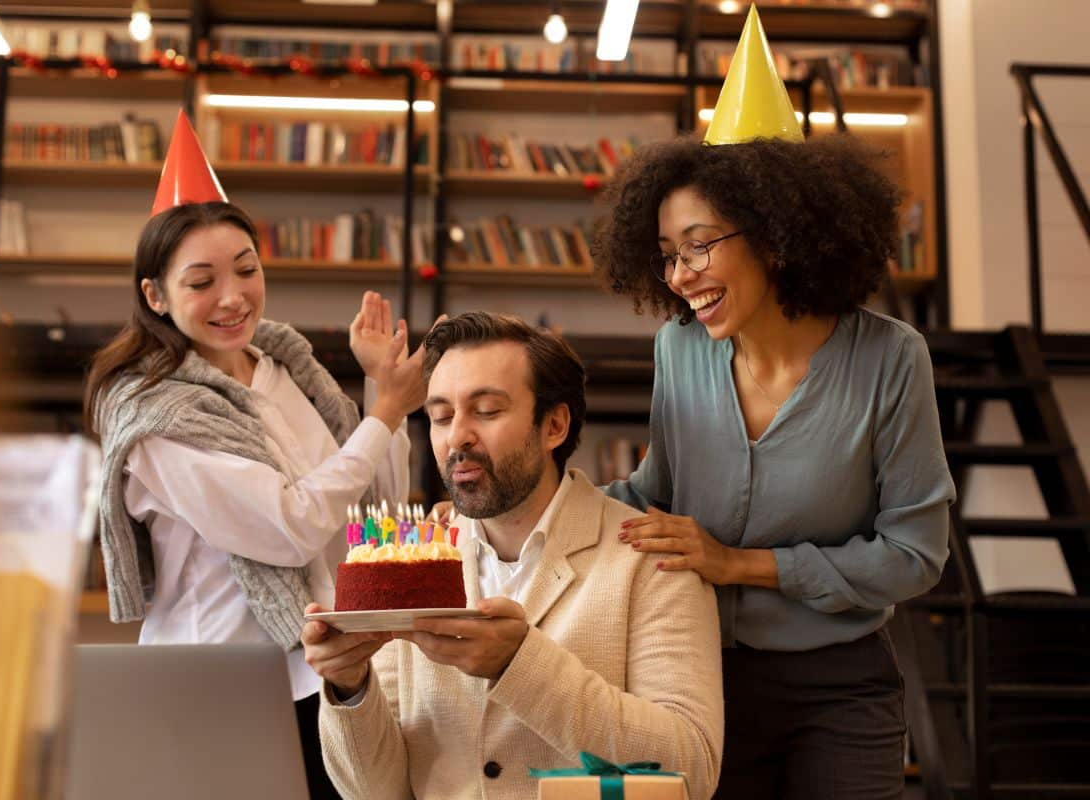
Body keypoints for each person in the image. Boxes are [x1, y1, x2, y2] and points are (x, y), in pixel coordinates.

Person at [591, 8, 956, 799]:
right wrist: (535, 495)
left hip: (844, 687)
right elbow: (655, 493)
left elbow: (914, 554)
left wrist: (741, 565)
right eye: (666, 256)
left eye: (699, 245)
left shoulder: (891, 360)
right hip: (698, 677)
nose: (680, 275)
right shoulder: (680, 350)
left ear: (779, 235)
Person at [85, 111, 427, 800]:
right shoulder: (155, 413)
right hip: (216, 679)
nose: (233, 296)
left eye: (246, 269)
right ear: (155, 295)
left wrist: (378, 395)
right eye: (201, 280)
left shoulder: (286, 368)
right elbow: (287, 526)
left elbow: (373, 506)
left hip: (329, 668)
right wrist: (386, 411)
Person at [301, 312, 724, 800]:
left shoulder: (649, 557)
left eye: (485, 410)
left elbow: (690, 769)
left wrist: (519, 666)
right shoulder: (414, 564)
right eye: (440, 416)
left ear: (555, 426)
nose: (456, 437)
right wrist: (350, 686)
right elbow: (375, 792)